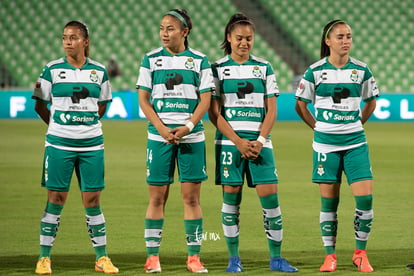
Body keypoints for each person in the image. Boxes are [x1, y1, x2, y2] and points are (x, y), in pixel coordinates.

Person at [208, 13, 298, 273]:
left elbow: (272, 109)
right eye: (239, 38)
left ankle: (276, 259)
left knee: (270, 200)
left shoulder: (264, 67)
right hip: (229, 144)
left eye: (249, 38)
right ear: (229, 38)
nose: (244, 43)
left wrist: (259, 139)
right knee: (231, 201)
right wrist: (237, 141)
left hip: (261, 144)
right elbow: (214, 113)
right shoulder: (217, 68)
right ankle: (234, 259)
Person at [32, 20, 118, 275]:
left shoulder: (100, 72)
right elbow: (39, 104)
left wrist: (84, 125)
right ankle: (44, 258)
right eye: (64, 37)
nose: (68, 42)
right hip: (59, 144)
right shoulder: (51, 69)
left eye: (73, 37)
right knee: (55, 199)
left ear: (85, 41)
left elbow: (102, 105)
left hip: (92, 145)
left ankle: (102, 258)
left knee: (92, 200)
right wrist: (58, 126)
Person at [295, 19, 379, 273]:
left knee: (365, 199)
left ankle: (360, 253)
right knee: (329, 204)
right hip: (325, 146)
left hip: (356, 144)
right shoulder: (315, 71)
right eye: (340, 36)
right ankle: (329, 256)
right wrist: (318, 127)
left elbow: (371, 101)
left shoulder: (362, 70)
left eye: (349, 36)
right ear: (327, 41)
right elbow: (300, 104)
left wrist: (355, 124)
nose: (346, 41)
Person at [136, 9, 213, 273]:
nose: (164, 34)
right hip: (158, 138)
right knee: (157, 198)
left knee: (191, 199)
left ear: (185, 32)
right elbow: (144, 99)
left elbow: (205, 99)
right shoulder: (150, 60)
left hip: (192, 137)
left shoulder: (200, 61)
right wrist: (160, 127)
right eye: (161, 29)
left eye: (170, 29)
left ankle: (194, 257)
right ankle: (152, 258)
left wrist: (188, 125)